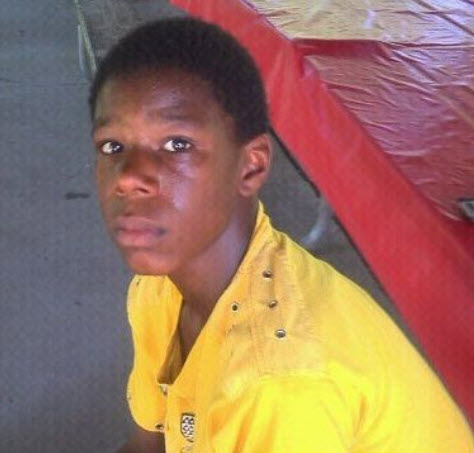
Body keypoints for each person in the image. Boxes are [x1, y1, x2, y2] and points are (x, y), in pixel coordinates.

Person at [89, 17, 474, 453]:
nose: (129, 177)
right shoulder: (156, 291)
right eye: (112, 146)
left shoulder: (278, 384)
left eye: (178, 144)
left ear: (250, 166)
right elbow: (149, 444)